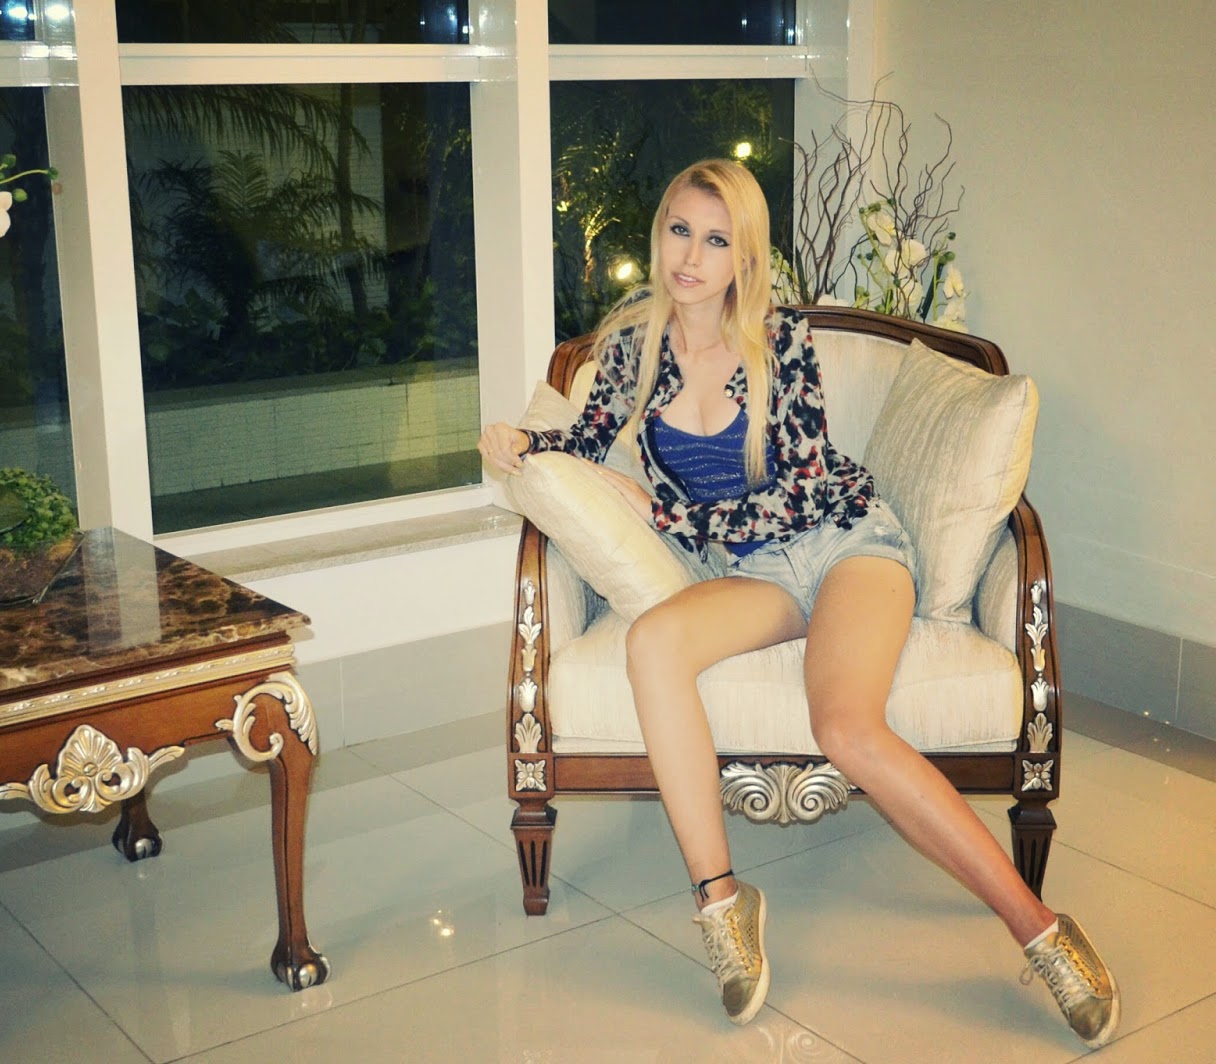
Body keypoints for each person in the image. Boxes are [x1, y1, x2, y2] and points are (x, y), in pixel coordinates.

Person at [476, 159, 1120, 1047]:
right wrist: (521, 441)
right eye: (679, 231)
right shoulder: (628, 349)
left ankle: (1041, 932)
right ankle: (722, 905)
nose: (691, 257)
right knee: (652, 643)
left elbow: (804, 491)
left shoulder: (779, 343)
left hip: (847, 544)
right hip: (756, 575)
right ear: (659, 235)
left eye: (716, 240)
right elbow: (581, 442)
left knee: (846, 729)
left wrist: (658, 508)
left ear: (744, 258)